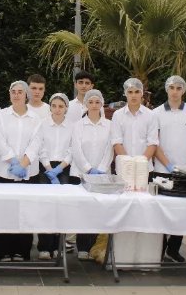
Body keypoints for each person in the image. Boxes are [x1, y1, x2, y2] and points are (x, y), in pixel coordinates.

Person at [0, 80, 43, 262]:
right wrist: (13, 161)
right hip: (3, 171)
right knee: (2, 212)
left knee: (24, 212)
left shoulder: (36, 118)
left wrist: (23, 163)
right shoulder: (1, 115)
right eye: (13, 91)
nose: (17, 94)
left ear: (26, 95)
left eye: (20, 91)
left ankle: (21, 250)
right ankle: (1, 251)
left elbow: (36, 142)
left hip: (28, 172)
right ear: (9, 94)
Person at [153, 75, 186, 263]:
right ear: (166, 89)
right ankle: (158, 250)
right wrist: (168, 164)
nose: (175, 91)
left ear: (184, 90)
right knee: (161, 211)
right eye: (171, 87)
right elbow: (154, 142)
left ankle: (173, 249)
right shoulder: (156, 113)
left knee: (181, 212)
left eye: (178, 88)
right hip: (162, 170)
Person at [70, 89, 113, 260]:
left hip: (102, 175)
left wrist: (101, 169)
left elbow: (110, 149)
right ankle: (82, 247)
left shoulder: (109, 125)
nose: (94, 106)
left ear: (102, 104)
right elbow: (76, 149)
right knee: (83, 210)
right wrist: (88, 169)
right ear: (86, 104)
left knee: (98, 210)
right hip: (81, 174)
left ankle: (95, 247)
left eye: (97, 102)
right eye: (91, 102)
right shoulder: (78, 126)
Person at [36, 92, 74, 260]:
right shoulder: (42, 124)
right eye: (54, 106)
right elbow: (40, 147)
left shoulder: (72, 126)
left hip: (64, 168)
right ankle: (44, 247)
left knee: (61, 208)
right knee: (45, 208)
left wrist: (59, 169)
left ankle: (58, 246)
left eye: (61, 106)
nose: (57, 110)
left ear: (66, 108)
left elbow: (73, 149)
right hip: (46, 168)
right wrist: (49, 169)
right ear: (50, 107)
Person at [111, 78, 158, 165]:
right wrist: (129, 163)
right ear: (125, 93)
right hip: (124, 167)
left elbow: (152, 142)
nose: (133, 95)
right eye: (130, 92)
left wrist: (141, 163)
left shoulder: (151, 115)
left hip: (145, 168)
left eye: (137, 92)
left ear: (142, 93)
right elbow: (116, 142)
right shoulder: (117, 115)